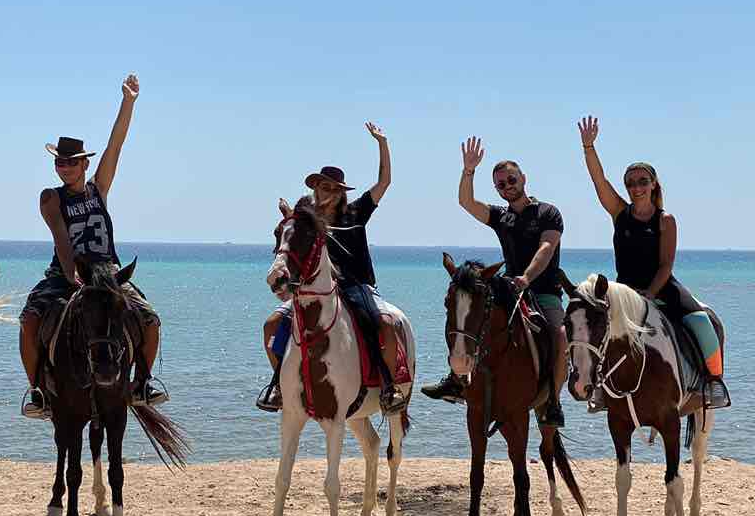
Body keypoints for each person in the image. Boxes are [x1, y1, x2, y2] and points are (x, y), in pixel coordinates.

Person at [19, 75, 167, 419]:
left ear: (85, 164)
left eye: (72, 162)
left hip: (109, 273)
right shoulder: (50, 197)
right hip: (66, 273)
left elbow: (116, 144)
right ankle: (38, 390)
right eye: (60, 162)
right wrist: (74, 279)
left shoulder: (99, 187)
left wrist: (128, 102)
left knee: (150, 319)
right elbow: (62, 240)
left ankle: (143, 381)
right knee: (29, 321)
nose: (65, 167)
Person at [576, 115, 730, 409]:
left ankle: (713, 384)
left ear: (654, 184)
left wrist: (649, 294)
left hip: (661, 287)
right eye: (631, 183)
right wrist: (588, 147)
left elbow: (666, 265)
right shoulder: (619, 214)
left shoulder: (665, 220)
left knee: (701, 322)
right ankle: (598, 390)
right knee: (591, 326)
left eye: (642, 181)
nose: (636, 187)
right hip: (624, 291)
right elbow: (599, 180)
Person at [257, 122, 407, 415]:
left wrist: (382, 144)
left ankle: (389, 386)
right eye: (320, 186)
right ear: (314, 189)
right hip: (319, 290)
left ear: (340, 192)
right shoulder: (307, 221)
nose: (325, 192)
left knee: (385, 324)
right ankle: (278, 383)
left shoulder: (356, 212)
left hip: (357, 285)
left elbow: (384, 182)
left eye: (331, 188)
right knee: (273, 325)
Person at [421, 136, 567, 429]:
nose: (507, 186)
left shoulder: (548, 212)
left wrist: (526, 278)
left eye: (511, 179)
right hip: (510, 286)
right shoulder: (501, 216)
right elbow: (466, 202)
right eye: (500, 184)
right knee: (469, 316)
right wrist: (468, 171)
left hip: (543, 289)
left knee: (559, 335)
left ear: (523, 178)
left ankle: (552, 400)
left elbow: (546, 249)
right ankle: (456, 380)